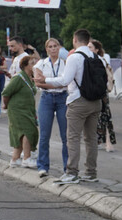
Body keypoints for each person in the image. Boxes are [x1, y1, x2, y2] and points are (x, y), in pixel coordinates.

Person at [38, 29, 103, 185]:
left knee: (72, 138)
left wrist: (44, 79)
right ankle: (91, 172)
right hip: (95, 101)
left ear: (75, 39)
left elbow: (65, 80)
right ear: (88, 41)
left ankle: (72, 172)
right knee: (91, 138)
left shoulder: (74, 57)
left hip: (78, 101)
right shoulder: (95, 56)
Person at [32, 38, 69, 177]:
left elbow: (66, 83)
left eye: (55, 46)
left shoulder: (65, 63)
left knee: (65, 135)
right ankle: (42, 166)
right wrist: (56, 83)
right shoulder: (41, 64)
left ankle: (67, 167)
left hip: (62, 98)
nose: (53, 49)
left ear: (59, 48)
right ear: (46, 49)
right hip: (46, 98)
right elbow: (38, 83)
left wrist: (47, 81)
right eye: (50, 47)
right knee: (44, 134)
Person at [3, 54, 40, 168]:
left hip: (27, 109)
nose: (34, 65)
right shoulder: (19, 77)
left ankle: (15, 158)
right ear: (25, 66)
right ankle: (26, 158)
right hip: (17, 110)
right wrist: (6, 105)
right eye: (32, 63)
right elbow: (6, 93)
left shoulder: (31, 78)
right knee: (27, 131)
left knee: (21, 133)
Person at [92, 39, 116, 153]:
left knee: (105, 116)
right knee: (94, 117)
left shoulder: (102, 60)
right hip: (91, 92)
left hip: (102, 92)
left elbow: (107, 77)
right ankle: (97, 140)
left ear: (97, 50)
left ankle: (108, 142)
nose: (88, 49)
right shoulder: (84, 60)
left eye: (90, 47)